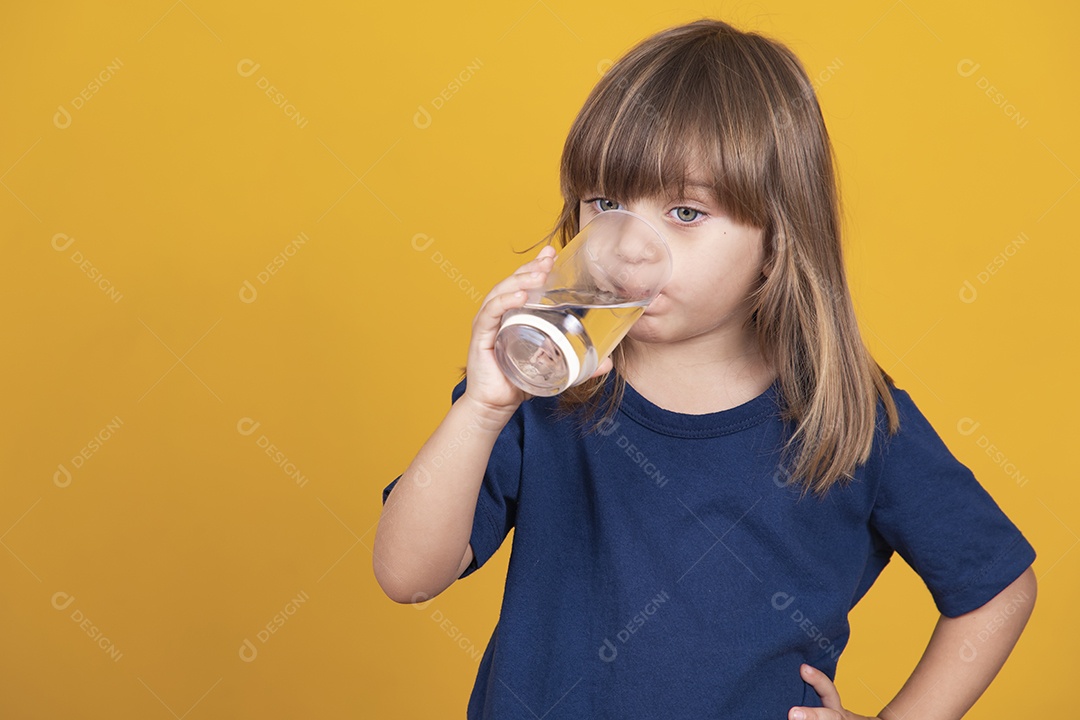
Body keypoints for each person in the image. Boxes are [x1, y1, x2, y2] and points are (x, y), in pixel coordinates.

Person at [373, 17, 1037, 720]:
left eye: (686, 212)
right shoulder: (545, 386)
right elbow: (406, 574)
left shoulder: (846, 418)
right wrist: (481, 408)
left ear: (778, 238)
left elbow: (999, 589)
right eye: (605, 202)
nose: (629, 248)